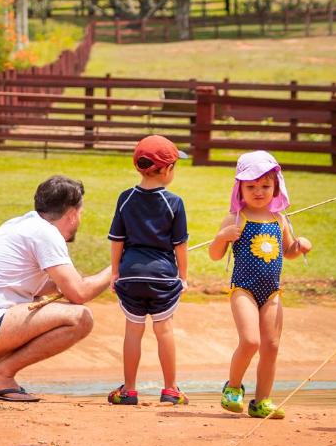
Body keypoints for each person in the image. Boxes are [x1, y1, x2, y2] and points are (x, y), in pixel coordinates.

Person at [0, 175, 111, 402]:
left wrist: (91, 281)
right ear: (71, 214)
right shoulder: (46, 233)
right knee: (81, 318)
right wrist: (117, 269)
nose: (79, 219)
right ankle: (1, 374)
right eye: (80, 213)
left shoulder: (21, 224)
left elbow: (54, 286)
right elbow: (79, 293)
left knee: (41, 302)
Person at [209, 151, 312, 419]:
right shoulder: (236, 219)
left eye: (265, 186)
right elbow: (215, 254)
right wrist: (222, 237)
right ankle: (232, 388)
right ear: (239, 188)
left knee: (271, 345)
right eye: (251, 186)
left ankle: (262, 401)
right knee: (251, 340)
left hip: (272, 292)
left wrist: (299, 246)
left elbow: (287, 251)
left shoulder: (280, 219)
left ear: (276, 186)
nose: (258, 192)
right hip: (243, 288)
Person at [107, 135, 190, 406]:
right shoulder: (174, 202)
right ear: (165, 170)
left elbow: (117, 240)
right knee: (164, 330)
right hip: (163, 276)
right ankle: (171, 390)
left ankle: (129, 391)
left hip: (130, 275)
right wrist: (184, 277)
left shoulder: (125, 198)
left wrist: (115, 273)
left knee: (133, 331)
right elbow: (180, 244)